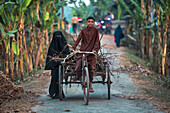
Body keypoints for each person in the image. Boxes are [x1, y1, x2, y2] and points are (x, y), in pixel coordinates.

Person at [72, 16, 100, 92]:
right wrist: (73, 48)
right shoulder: (83, 31)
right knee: (78, 66)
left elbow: (97, 41)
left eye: (92, 22)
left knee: (92, 69)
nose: (90, 23)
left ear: (93, 23)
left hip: (91, 52)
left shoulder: (95, 30)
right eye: (89, 21)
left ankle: (90, 84)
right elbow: (78, 40)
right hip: (83, 52)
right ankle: (77, 76)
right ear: (86, 22)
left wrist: (95, 50)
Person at [44, 31, 70, 99]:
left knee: (60, 78)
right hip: (55, 65)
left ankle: (59, 93)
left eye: (59, 36)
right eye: (57, 36)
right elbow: (50, 55)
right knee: (54, 78)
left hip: (63, 64)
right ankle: (53, 93)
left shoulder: (64, 44)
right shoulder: (52, 45)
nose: (58, 38)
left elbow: (67, 53)